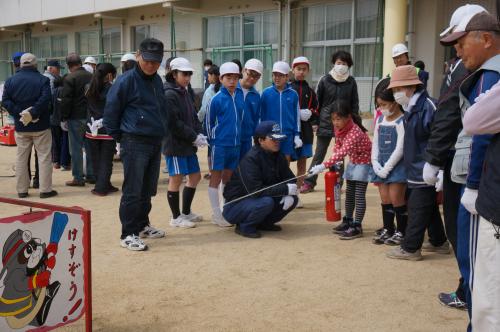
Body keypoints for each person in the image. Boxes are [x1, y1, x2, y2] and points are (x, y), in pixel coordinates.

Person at [440, 10, 500, 331]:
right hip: (477, 182)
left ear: (486, 39)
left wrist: (473, 185)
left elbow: (480, 132)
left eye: (462, 43)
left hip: (482, 190)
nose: (458, 52)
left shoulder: (490, 75)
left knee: (475, 266)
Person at [423, 3, 483, 313]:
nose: (458, 50)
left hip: (466, 166)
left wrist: (433, 158)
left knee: (464, 235)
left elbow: (446, 114)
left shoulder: (469, 69)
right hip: (473, 164)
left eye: (461, 42)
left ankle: (470, 293)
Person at [104, 38, 168, 251]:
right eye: (148, 60)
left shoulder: (157, 81)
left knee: (148, 189)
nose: (151, 65)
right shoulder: (125, 81)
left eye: (156, 61)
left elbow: (161, 109)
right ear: (138, 55)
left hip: (154, 140)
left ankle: (142, 225)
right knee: (132, 189)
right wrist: (121, 139)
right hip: (134, 141)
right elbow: (111, 114)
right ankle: (128, 233)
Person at [385, 65, 447, 261]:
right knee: (427, 207)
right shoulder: (410, 108)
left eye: (398, 89)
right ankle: (439, 241)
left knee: (417, 207)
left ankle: (411, 248)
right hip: (415, 168)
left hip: (427, 167)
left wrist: (438, 166)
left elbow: (441, 137)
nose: (396, 94)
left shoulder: (429, 107)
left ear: (411, 86)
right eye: (394, 90)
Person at [223, 121, 299, 238]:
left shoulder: (278, 155)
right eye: (273, 139)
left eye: (278, 139)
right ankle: (244, 226)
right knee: (266, 202)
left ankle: (264, 224)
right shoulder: (251, 159)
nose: (277, 142)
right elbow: (256, 191)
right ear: (261, 140)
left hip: (258, 199)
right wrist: (285, 189)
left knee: (293, 199)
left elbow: (290, 178)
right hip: (235, 206)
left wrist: (288, 191)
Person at [309, 100, 371, 239]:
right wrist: (333, 163)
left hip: (365, 162)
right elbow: (338, 146)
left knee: (359, 195)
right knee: (349, 193)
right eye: (333, 119)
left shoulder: (354, 131)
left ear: (348, 117)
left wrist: (323, 165)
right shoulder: (339, 128)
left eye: (338, 119)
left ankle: (357, 226)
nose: (335, 122)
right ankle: (348, 221)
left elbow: (343, 151)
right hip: (354, 161)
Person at [301, 50, 359, 193]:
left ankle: (338, 183)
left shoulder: (351, 82)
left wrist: (356, 123)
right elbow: (316, 102)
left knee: (340, 155)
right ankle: (309, 182)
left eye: (344, 63)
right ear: (334, 63)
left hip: (344, 124)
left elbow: (354, 104)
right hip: (325, 122)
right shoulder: (325, 80)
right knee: (319, 154)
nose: (341, 66)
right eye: (339, 63)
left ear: (349, 65)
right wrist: (315, 121)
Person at [1, 53, 57, 199]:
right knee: (44, 157)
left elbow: (5, 101)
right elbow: (45, 99)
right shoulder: (43, 80)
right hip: (41, 125)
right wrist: (32, 113)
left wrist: (20, 113)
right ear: (35, 64)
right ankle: (45, 190)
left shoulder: (10, 81)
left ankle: (22, 190)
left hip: (21, 126)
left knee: (21, 158)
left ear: (20, 63)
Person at [163, 57, 206, 228]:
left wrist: (199, 133)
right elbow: (174, 123)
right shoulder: (169, 94)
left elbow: (193, 116)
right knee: (176, 178)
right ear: (174, 74)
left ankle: (186, 212)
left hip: (187, 143)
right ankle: (175, 217)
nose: (187, 77)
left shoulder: (185, 91)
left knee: (195, 176)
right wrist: (193, 136)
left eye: (189, 74)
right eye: (184, 74)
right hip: (174, 145)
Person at [205, 62, 244, 227]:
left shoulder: (240, 96)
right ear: (220, 78)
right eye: (228, 77)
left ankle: (225, 209)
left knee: (228, 178)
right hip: (219, 145)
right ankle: (216, 213)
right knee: (215, 178)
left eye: (235, 78)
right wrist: (214, 142)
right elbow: (208, 124)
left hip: (235, 145)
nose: (232, 81)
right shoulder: (215, 99)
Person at [370, 78, 407, 245]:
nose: (381, 108)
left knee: (396, 198)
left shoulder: (402, 121)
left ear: (395, 102)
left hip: (397, 166)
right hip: (381, 165)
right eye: (379, 104)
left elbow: (400, 148)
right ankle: (388, 228)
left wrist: (387, 167)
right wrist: (375, 163)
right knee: (385, 198)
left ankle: (402, 231)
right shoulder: (379, 120)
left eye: (384, 104)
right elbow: (375, 143)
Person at [60, 53, 95, 186]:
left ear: (69, 66)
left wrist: (64, 117)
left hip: (75, 117)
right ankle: (91, 175)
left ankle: (78, 177)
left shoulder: (70, 78)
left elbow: (66, 100)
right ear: (80, 63)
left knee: (75, 148)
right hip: (91, 116)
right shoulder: (91, 77)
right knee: (90, 147)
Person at [85, 63, 119, 196]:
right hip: (107, 128)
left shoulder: (89, 88)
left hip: (91, 128)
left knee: (96, 159)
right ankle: (101, 187)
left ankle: (104, 183)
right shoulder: (112, 89)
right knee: (106, 160)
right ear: (109, 75)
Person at [289, 56, 318, 207]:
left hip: (306, 133)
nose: (300, 72)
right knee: (285, 163)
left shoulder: (311, 91)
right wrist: (295, 113)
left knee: (302, 164)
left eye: (303, 69)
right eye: (298, 69)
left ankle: (298, 194)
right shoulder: (287, 89)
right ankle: (286, 193)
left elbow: (317, 109)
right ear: (292, 70)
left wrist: (311, 113)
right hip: (290, 131)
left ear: (307, 71)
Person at [260, 61, 301, 162]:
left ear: (287, 77)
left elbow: (297, 116)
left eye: (281, 75)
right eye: (275, 75)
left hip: (287, 135)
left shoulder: (293, 94)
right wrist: (262, 134)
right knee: (270, 163)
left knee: (285, 164)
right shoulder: (265, 93)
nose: (277, 78)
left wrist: (297, 135)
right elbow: (261, 115)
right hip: (271, 135)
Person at [198, 64, 220, 180]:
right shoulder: (224, 89)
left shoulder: (209, 90)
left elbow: (204, 109)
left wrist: (197, 120)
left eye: (209, 75)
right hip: (222, 124)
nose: (207, 77)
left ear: (214, 76)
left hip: (210, 123)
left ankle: (212, 172)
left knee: (211, 148)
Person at [239, 58, 263, 159]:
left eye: (256, 76)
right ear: (244, 71)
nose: (252, 78)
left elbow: (256, 118)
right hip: (229, 139)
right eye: (250, 74)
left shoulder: (256, 96)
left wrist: (256, 138)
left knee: (244, 169)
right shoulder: (231, 90)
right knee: (228, 171)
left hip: (246, 140)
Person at [44, 59, 63, 169]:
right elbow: (51, 98)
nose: (59, 71)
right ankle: (56, 160)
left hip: (46, 114)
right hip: (53, 114)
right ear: (50, 68)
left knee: (51, 138)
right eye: (58, 68)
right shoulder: (51, 79)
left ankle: (54, 159)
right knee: (56, 137)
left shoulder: (42, 77)